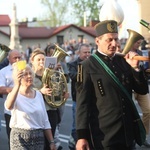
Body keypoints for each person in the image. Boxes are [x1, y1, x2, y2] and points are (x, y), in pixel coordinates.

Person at [75, 20, 149, 150]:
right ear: (98, 41)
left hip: (127, 135)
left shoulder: (124, 61)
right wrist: (82, 136)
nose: (114, 44)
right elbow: (82, 104)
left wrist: (136, 69)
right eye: (109, 40)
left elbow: (142, 90)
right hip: (104, 137)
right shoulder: (87, 66)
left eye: (116, 39)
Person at [4, 64, 56, 150]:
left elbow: (45, 121)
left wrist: (51, 142)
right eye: (25, 74)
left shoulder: (38, 94)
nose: (29, 76)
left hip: (38, 137)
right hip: (19, 137)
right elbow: (8, 106)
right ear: (18, 77)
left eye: (30, 73)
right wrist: (17, 85)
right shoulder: (14, 94)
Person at [30, 48, 59, 150]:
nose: (41, 62)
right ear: (32, 61)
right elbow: (25, 92)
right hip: (36, 113)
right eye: (38, 60)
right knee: (37, 143)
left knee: (49, 144)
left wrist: (62, 94)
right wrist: (40, 91)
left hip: (51, 111)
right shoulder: (29, 76)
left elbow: (56, 91)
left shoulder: (51, 74)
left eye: (43, 59)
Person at [125, 39, 150, 148]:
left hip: (140, 87)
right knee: (129, 114)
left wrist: (146, 71)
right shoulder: (123, 53)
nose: (139, 44)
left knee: (148, 110)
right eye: (137, 42)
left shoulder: (140, 53)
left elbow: (142, 70)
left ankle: (143, 136)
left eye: (140, 42)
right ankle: (131, 138)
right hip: (129, 88)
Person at [67, 43, 91, 150]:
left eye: (89, 52)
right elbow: (73, 76)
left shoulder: (92, 63)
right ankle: (74, 144)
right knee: (76, 124)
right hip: (78, 99)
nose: (87, 55)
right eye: (85, 53)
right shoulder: (72, 64)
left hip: (91, 99)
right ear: (79, 53)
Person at [0, 49, 22, 148]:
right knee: (13, 142)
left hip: (25, 110)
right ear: (9, 59)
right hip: (11, 111)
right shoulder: (3, 72)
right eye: (15, 58)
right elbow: (1, 89)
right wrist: (17, 89)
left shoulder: (26, 69)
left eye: (19, 57)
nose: (17, 60)